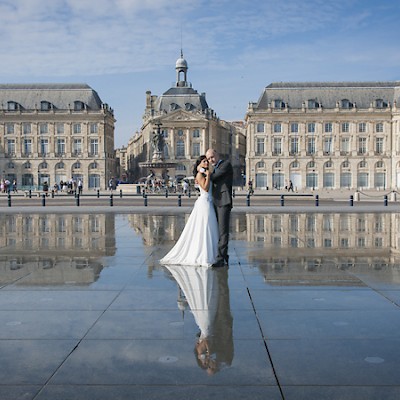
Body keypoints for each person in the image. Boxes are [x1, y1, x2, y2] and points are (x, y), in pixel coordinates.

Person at [160, 155, 219, 267]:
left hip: (208, 202)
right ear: (199, 164)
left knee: (208, 227)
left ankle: (212, 254)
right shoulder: (200, 175)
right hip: (204, 202)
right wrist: (208, 175)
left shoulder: (204, 173)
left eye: (207, 161)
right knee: (205, 227)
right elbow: (205, 188)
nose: (206, 162)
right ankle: (204, 255)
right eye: (204, 161)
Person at [206, 149, 234, 268]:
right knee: (218, 230)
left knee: (223, 232)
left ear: (217, 155)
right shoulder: (216, 167)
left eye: (212, 157)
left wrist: (203, 171)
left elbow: (215, 177)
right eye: (208, 159)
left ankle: (220, 258)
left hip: (223, 201)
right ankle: (224, 255)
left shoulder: (225, 165)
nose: (211, 160)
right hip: (216, 201)